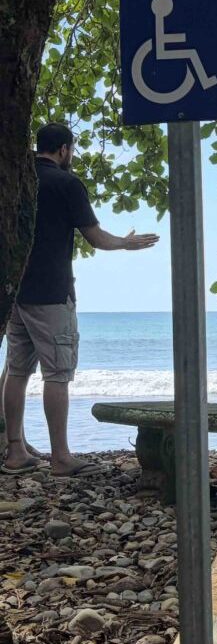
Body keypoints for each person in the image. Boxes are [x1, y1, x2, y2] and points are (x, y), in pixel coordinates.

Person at [2, 124, 158, 477]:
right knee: (57, 373)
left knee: (17, 370)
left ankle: (15, 452)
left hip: (16, 292)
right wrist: (125, 243)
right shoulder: (66, 184)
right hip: (52, 293)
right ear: (63, 150)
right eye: (71, 149)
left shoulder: (17, 179)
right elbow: (95, 237)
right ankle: (61, 457)